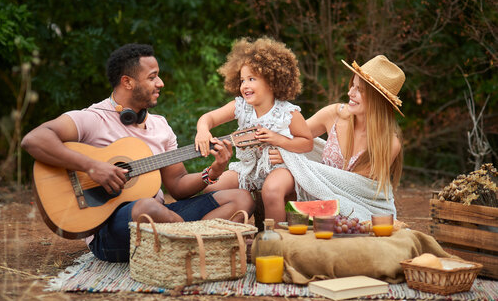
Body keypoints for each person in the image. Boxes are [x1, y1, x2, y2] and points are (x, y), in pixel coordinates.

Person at [21, 43, 255, 262]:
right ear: (128, 82)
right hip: (111, 229)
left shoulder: (160, 126)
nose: (161, 83)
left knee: (241, 198)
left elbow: (178, 185)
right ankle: (200, 243)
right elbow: (34, 140)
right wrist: (93, 167)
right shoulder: (93, 118)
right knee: (147, 207)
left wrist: (212, 172)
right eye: (152, 77)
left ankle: (187, 245)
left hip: (162, 219)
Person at [266, 54, 405, 223]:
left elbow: (349, 186)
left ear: (378, 100)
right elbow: (292, 135)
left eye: (359, 90)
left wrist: (294, 160)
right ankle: (274, 240)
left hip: (354, 206)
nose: (350, 93)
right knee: (274, 186)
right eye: (352, 85)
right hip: (314, 189)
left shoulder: (389, 143)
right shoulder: (334, 114)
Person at [194, 37, 313, 200]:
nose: (244, 85)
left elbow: (307, 143)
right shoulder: (241, 106)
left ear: (272, 81)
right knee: (211, 189)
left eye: (251, 79)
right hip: (248, 168)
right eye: (242, 80)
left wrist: (279, 140)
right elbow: (209, 118)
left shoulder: (288, 112)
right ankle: (229, 223)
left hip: (280, 168)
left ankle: (273, 226)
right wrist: (202, 130)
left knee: (271, 191)